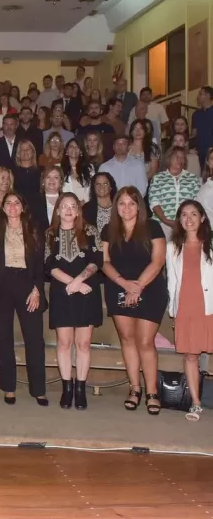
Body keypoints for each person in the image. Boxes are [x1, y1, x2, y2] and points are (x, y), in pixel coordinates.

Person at [100, 187, 167, 415]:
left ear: (139, 205)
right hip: (119, 289)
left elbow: (158, 261)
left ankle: (152, 392)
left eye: (131, 203)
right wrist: (124, 284)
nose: (126, 208)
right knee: (127, 339)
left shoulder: (152, 227)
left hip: (150, 289)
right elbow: (105, 262)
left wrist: (137, 285)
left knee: (145, 342)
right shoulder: (109, 230)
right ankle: (135, 389)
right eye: (122, 203)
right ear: (116, 207)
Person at [45, 193, 103, 410]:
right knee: (64, 343)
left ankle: (80, 388)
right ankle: (66, 388)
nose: (68, 210)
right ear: (58, 210)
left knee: (83, 344)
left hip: (87, 291)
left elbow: (96, 261)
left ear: (78, 211)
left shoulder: (90, 231)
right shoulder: (50, 234)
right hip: (63, 293)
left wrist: (79, 281)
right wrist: (72, 283)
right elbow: (49, 264)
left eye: (73, 206)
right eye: (64, 206)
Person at [0, 191, 48, 406]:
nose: (12, 207)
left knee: (34, 339)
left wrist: (37, 289)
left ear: (23, 207)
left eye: (16, 203)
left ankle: (39, 389)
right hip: (2, 286)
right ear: (3, 207)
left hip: (27, 285)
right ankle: (9, 387)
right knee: (4, 339)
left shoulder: (33, 229)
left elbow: (41, 264)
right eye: (8, 203)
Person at [166, 200, 213, 421]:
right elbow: (171, 282)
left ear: (202, 217)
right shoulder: (172, 247)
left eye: (194, 214)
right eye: (184, 215)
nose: (189, 219)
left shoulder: (211, 244)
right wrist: (173, 310)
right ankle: (195, 403)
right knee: (190, 355)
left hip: (209, 306)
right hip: (186, 306)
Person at [149, 146, 200, 239]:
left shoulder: (192, 178)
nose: (180, 160)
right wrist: (166, 221)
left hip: (186, 224)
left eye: (182, 157)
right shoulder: (158, 178)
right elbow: (154, 203)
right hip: (162, 224)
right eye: (176, 157)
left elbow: (196, 203)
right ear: (168, 158)